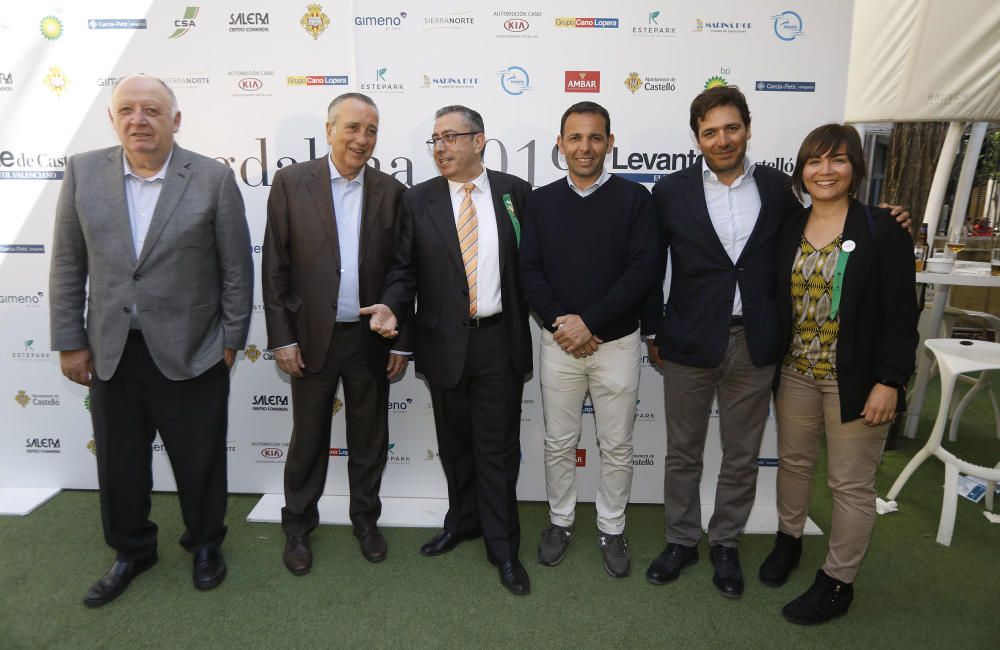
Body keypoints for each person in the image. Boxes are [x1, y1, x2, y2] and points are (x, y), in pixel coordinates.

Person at [642, 85, 909, 599]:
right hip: (688, 342)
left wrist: (888, 216)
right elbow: (653, 266)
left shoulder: (779, 189)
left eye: (732, 128)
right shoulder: (669, 191)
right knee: (682, 453)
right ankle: (681, 540)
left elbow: (836, 217)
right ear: (697, 137)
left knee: (742, 454)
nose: (723, 139)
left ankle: (724, 543)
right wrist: (653, 330)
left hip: (757, 343)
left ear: (747, 127)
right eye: (710, 131)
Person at [49, 74, 253, 607]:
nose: (139, 120)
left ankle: (205, 543)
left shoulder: (211, 178)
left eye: (152, 110)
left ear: (175, 119)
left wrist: (232, 338)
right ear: (113, 119)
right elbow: (69, 264)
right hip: (112, 350)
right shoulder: (82, 173)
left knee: (200, 458)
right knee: (119, 462)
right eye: (127, 110)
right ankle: (132, 550)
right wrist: (70, 340)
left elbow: (236, 267)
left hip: (193, 348)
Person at [361, 105, 533, 595]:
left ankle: (503, 549)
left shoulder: (514, 193)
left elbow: (532, 265)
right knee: (455, 448)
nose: (440, 147)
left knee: (497, 452)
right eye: (435, 139)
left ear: (479, 141)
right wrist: (393, 307)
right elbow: (403, 271)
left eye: (451, 137)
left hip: (500, 341)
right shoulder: (418, 201)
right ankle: (462, 522)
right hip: (443, 346)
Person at [758, 123, 917, 625]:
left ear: (856, 168)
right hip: (795, 373)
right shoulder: (790, 224)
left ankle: (837, 582)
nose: (825, 170)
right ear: (801, 171)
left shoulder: (881, 228)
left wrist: (890, 380)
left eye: (838, 160)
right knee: (794, 464)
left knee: (850, 484)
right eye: (815, 161)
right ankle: (788, 541)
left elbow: (900, 313)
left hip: (856, 379)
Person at [262, 93, 410, 573]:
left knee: (370, 438)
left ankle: (366, 521)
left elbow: (404, 270)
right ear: (328, 130)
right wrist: (283, 338)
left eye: (371, 130)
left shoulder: (392, 191)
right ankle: (298, 528)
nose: (362, 139)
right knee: (308, 441)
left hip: (369, 340)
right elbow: (275, 269)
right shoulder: (290, 183)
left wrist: (397, 328)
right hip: (309, 339)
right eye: (352, 128)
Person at [519, 101, 658, 577]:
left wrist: (591, 324)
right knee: (560, 441)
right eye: (575, 138)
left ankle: (612, 527)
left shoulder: (636, 200)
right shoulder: (539, 201)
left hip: (615, 344)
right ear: (560, 144)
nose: (585, 147)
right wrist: (565, 324)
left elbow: (642, 272)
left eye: (595, 137)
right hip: (558, 342)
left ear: (610, 143)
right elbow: (529, 271)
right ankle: (559, 521)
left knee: (616, 444)